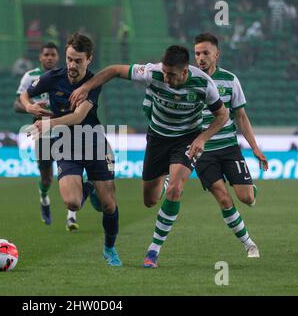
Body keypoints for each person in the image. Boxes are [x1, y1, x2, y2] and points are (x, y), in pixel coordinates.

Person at [69, 45, 229, 268]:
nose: (166, 78)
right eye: (165, 72)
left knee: (175, 189)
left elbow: (222, 115)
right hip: (157, 139)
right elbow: (114, 70)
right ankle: (163, 179)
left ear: (185, 72)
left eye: (171, 75)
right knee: (150, 201)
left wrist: (202, 138)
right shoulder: (152, 72)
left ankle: (153, 251)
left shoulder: (204, 84)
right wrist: (86, 87)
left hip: (186, 139)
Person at [21, 33, 122, 266]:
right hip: (66, 144)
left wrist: (48, 124)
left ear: (89, 59)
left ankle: (110, 249)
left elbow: (78, 117)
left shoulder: (93, 83)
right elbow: (26, 92)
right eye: (69, 59)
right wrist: (30, 106)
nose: (72, 65)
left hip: (94, 143)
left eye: (78, 60)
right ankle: (90, 187)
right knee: (72, 203)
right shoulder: (53, 77)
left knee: (108, 205)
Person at [194, 33, 268, 258]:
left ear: (217, 54)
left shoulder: (230, 80)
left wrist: (254, 147)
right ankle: (249, 244)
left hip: (229, 148)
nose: (201, 58)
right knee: (224, 198)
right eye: (197, 53)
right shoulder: (188, 80)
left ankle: (249, 189)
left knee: (246, 198)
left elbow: (241, 117)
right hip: (203, 151)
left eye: (206, 53)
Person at [14, 43, 63, 227]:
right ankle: (44, 198)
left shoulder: (64, 76)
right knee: (47, 177)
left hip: (65, 129)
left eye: (52, 54)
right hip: (41, 132)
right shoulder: (30, 77)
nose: (49, 57)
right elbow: (16, 104)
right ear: (40, 58)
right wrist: (31, 109)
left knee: (72, 170)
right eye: (46, 54)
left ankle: (71, 215)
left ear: (57, 57)